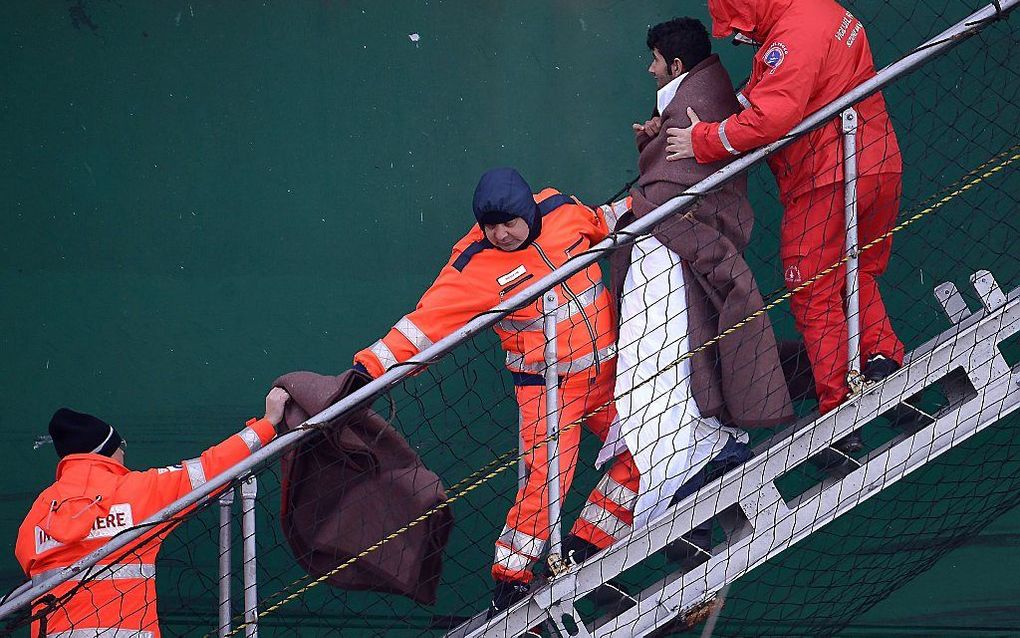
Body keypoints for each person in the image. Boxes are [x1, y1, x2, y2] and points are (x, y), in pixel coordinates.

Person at [353, 167, 641, 614]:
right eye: (491, 226)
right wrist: (366, 373)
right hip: (547, 392)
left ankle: (588, 549)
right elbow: (422, 326)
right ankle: (512, 580)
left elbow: (605, 218)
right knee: (546, 485)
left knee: (643, 452)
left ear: (529, 211)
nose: (501, 234)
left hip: (609, 377)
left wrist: (657, 197)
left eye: (509, 223)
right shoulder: (471, 265)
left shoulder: (562, 211)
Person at [664, 0, 905, 448]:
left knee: (813, 293)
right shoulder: (817, 14)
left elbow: (772, 116)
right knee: (859, 272)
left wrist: (701, 140)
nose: (739, 38)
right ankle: (885, 364)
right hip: (878, 163)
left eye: (737, 29)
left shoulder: (790, 35)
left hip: (827, 176)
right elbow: (763, 96)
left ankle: (838, 411)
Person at [597, 17, 792, 537]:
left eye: (655, 61)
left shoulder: (695, 102)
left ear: (676, 66)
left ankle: (693, 461)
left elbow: (678, 194)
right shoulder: (702, 93)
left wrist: (628, 209)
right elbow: (677, 174)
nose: (649, 69)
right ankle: (694, 460)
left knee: (662, 369)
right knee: (682, 367)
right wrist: (653, 143)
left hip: (673, 259)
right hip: (681, 257)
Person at [15, 387, 291, 638]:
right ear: (106, 453)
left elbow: (25, 556)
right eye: (121, 447)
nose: (123, 454)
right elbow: (211, 469)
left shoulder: (38, 512)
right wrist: (267, 424)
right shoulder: (139, 491)